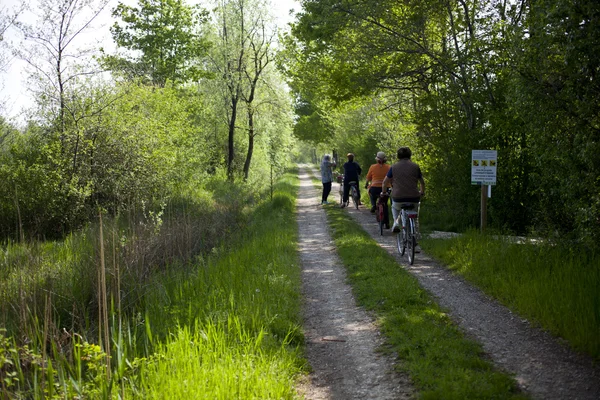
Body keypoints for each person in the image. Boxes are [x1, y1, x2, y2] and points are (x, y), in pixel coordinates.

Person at [382, 147, 425, 240]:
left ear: (398, 156)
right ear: (410, 155)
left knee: (395, 207)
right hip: (414, 197)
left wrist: (384, 192)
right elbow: (422, 182)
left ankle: (396, 222)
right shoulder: (415, 166)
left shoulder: (394, 167)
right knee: (415, 217)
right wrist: (422, 192)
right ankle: (415, 239)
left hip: (398, 198)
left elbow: (385, 182)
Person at [365, 151, 391, 227]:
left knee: (371, 193)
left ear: (377, 159)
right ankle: (387, 223)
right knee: (385, 204)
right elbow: (391, 178)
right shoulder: (389, 167)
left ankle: (373, 204)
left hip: (375, 188)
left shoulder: (372, 167)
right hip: (386, 188)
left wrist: (366, 184)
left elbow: (368, 178)